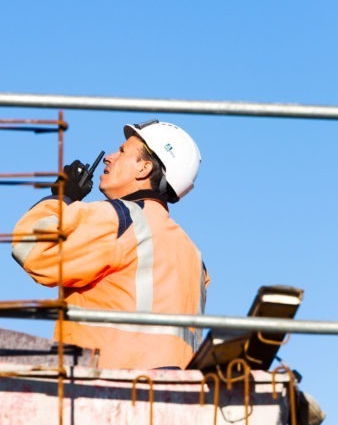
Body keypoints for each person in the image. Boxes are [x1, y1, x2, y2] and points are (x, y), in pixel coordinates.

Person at [11, 119, 209, 370]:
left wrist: (63, 196)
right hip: (175, 396)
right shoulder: (193, 257)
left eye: (123, 151)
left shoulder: (121, 219)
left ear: (144, 169)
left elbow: (31, 248)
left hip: (109, 389)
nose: (110, 157)